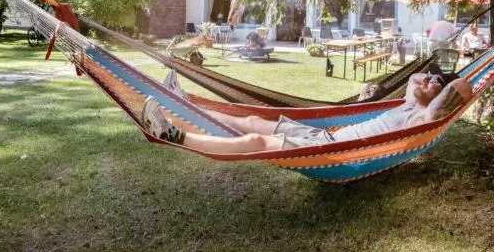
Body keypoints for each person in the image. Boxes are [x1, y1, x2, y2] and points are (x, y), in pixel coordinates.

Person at [144, 70, 472, 152]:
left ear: (443, 97)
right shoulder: (411, 101)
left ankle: (171, 134)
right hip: (325, 136)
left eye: (435, 82)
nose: (426, 79)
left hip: (333, 151)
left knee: (256, 142)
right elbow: (417, 77)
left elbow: (462, 89)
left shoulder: (424, 118)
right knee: (254, 120)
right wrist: (431, 81)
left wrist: (447, 84)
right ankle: (183, 101)